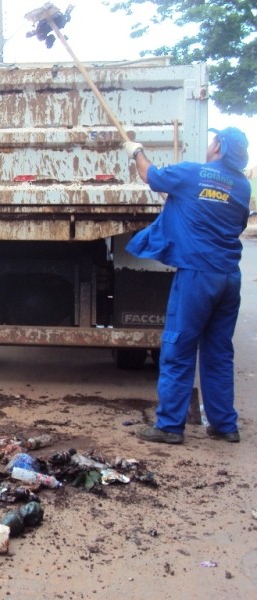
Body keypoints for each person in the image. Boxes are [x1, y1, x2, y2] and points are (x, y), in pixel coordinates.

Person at [123, 128, 251, 445]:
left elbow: (150, 176)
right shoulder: (242, 185)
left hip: (197, 275)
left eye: (212, 141)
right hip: (227, 278)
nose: (209, 144)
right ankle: (224, 425)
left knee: (178, 349)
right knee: (219, 353)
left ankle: (169, 426)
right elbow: (232, 221)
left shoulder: (193, 173)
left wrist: (135, 150)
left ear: (219, 146)